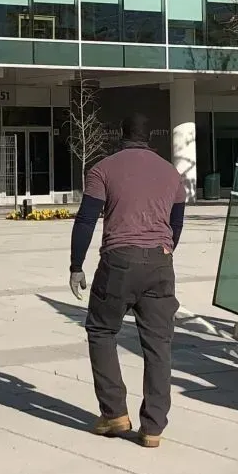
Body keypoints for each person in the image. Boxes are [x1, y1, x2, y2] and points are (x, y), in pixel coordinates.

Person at [69, 111, 186, 449]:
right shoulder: (171, 173)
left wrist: (77, 265)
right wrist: (163, 251)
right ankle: (153, 427)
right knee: (159, 343)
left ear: (120, 134)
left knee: (102, 330)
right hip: (161, 262)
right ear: (150, 138)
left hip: (119, 261)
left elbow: (87, 218)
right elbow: (177, 223)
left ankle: (115, 412)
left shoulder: (103, 169)